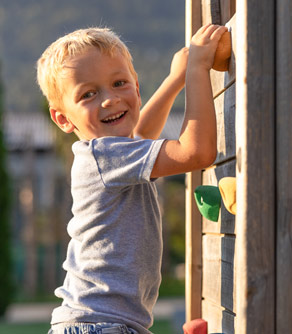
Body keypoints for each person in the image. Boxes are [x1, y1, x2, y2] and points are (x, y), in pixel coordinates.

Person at [36, 24, 227, 334]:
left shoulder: (109, 154)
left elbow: (141, 134)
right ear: (62, 118)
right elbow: (196, 153)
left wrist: (174, 80)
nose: (109, 100)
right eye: (88, 94)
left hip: (96, 322)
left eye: (119, 83)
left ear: (137, 88)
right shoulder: (105, 154)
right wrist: (198, 68)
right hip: (100, 324)